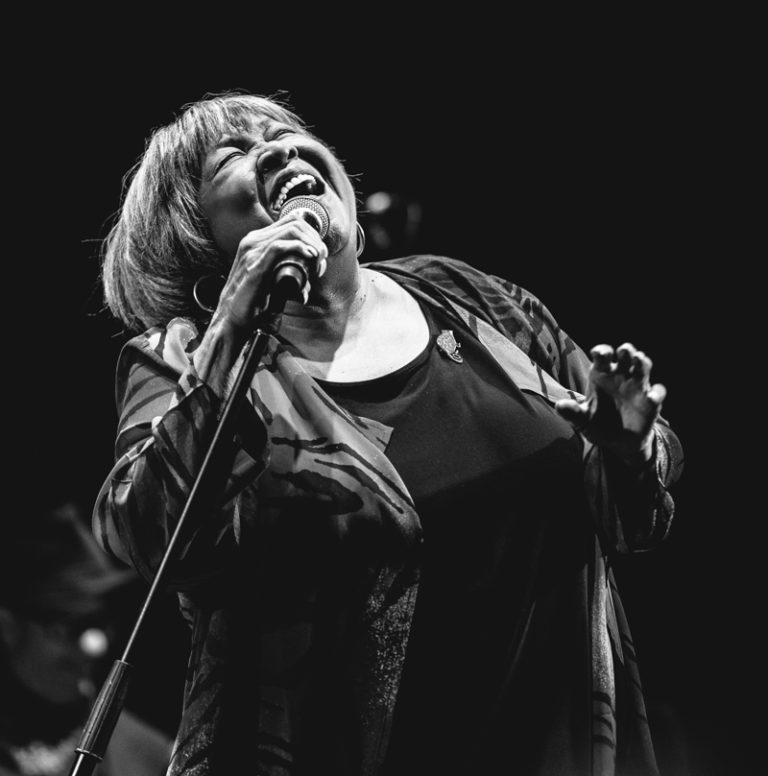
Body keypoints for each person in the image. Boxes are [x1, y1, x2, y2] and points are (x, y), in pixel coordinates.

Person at [92, 90, 683, 776]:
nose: (280, 150)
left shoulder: (467, 297)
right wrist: (230, 327)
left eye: (285, 133)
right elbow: (142, 534)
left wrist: (631, 450)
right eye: (237, 155)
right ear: (193, 235)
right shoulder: (184, 358)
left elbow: (637, 508)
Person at [0, 501, 172, 776]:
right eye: (67, 627)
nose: (95, 645)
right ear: (8, 626)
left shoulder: (153, 757)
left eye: (99, 623)